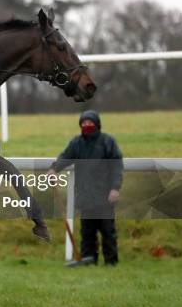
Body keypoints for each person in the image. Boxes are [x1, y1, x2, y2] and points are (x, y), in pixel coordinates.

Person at [47, 110, 124, 266]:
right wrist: (53, 169)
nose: (86, 125)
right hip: (85, 197)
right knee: (87, 233)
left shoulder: (108, 142)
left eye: (90, 122)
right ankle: (88, 261)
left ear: (97, 124)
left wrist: (115, 188)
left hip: (105, 198)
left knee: (108, 232)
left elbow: (117, 167)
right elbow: (65, 157)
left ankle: (111, 262)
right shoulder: (77, 143)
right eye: (84, 123)